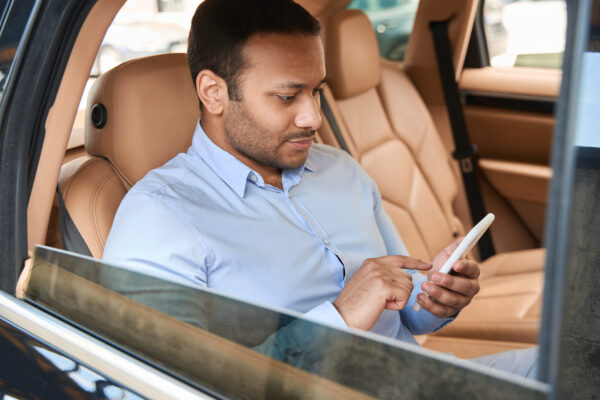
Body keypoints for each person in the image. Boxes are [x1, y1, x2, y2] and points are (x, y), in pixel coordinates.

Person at [102, 0, 536, 378]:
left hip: (422, 378)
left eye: (317, 91)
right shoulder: (159, 217)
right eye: (287, 97)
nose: (313, 117)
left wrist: (436, 298)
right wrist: (341, 317)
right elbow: (179, 385)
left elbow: (406, 312)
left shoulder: (340, 170)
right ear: (214, 93)